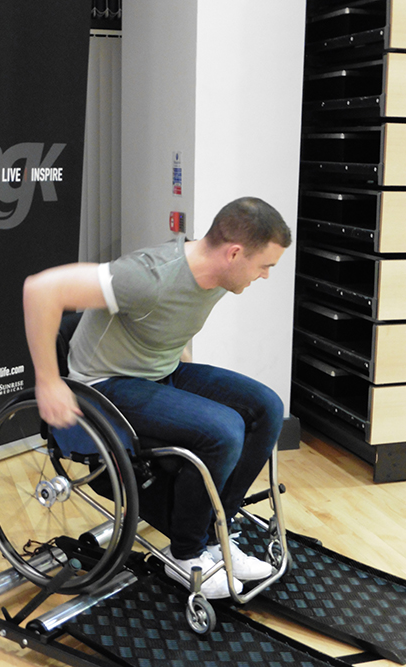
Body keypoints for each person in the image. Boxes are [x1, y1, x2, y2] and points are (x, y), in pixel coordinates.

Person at [23, 196, 292, 599]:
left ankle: (216, 538)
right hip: (104, 383)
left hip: (158, 372)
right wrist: (48, 382)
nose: (266, 276)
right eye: (265, 266)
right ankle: (186, 555)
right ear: (235, 253)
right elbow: (40, 289)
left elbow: (169, 324)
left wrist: (188, 397)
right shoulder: (148, 276)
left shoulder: (220, 276)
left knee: (267, 408)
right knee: (224, 430)